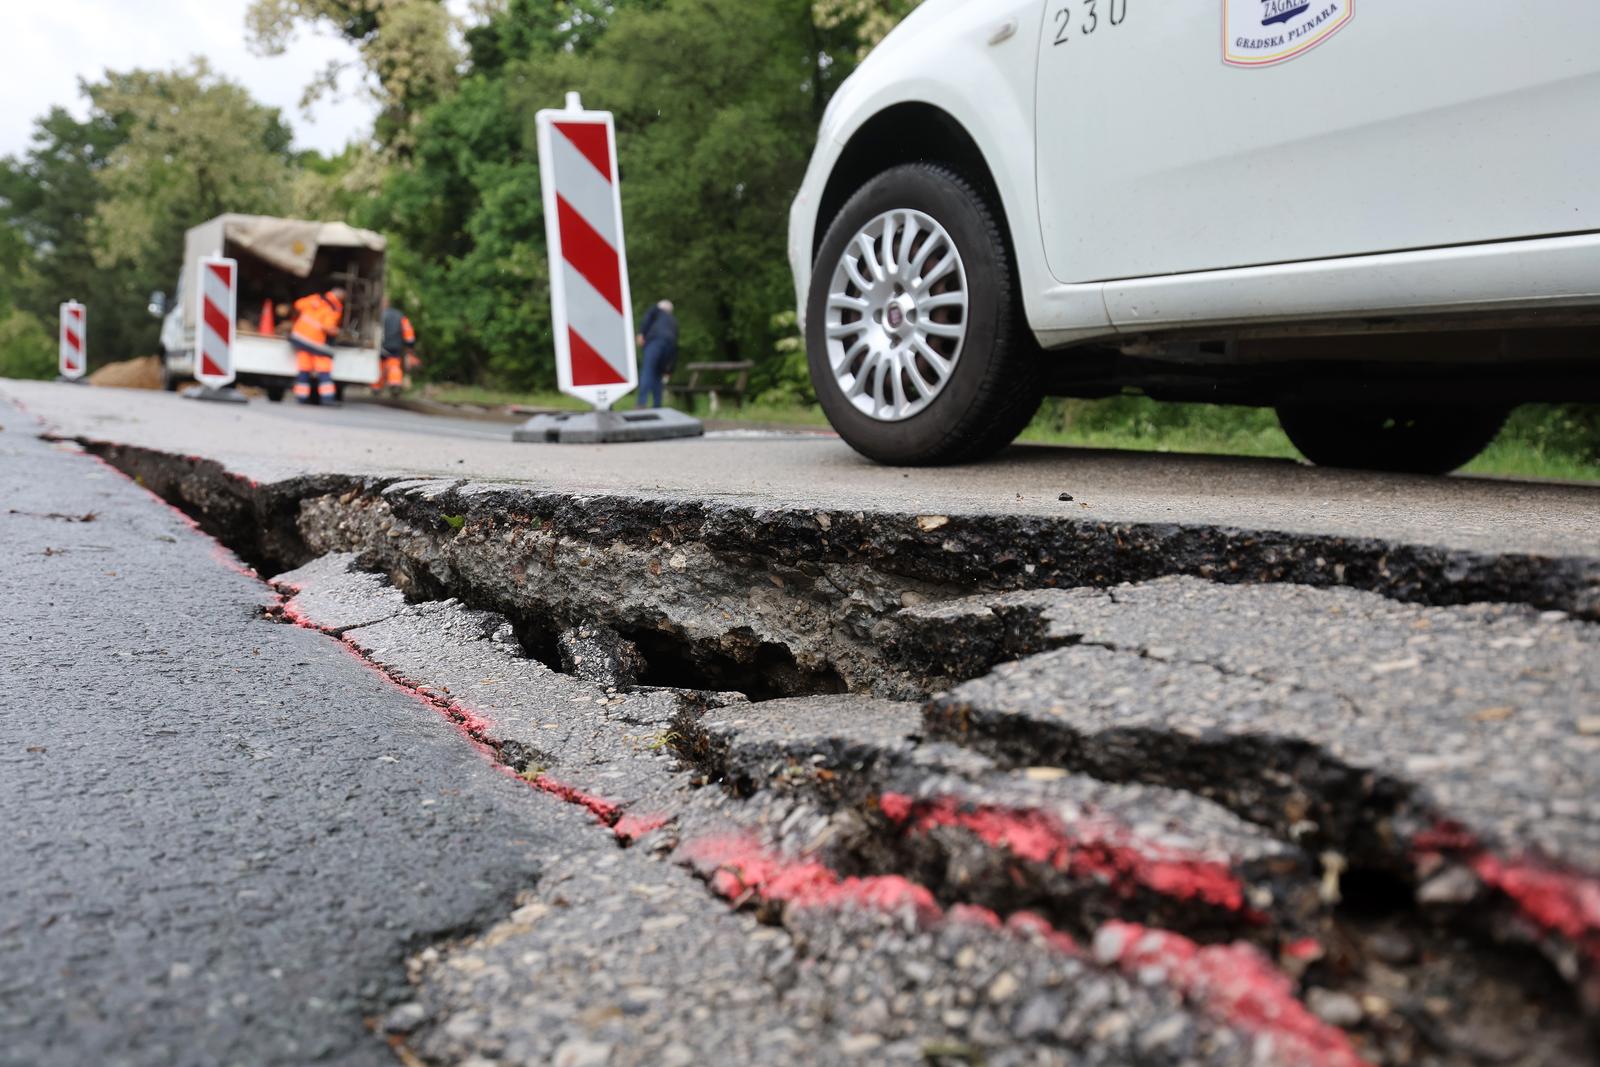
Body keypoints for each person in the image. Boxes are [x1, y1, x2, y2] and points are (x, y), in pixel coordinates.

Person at [290, 286, 347, 406]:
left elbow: (298, 304)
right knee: (324, 369)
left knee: (304, 369)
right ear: (341, 297)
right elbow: (328, 327)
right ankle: (327, 398)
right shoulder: (334, 308)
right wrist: (338, 332)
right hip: (315, 343)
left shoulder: (315, 298)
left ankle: (301, 397)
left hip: (299, 337)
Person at [636, 299, 678, 410]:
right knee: (659, 374)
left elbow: (647, 318)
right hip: (669, 347)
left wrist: (641, 333)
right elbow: (675, 347)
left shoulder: (656, 310)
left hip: (655, 342)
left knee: (647, 371)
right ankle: (657, 405)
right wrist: (669, 369)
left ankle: (641, 403)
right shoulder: (673, 321)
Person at [375, 297, 417, 396]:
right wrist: (410, 344)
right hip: (394, 346)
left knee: (379, 367)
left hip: (379, 346)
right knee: (394, 366)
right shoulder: (399, 315)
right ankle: (395, 384)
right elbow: (408, 331)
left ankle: (376, 388)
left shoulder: (377, 315)